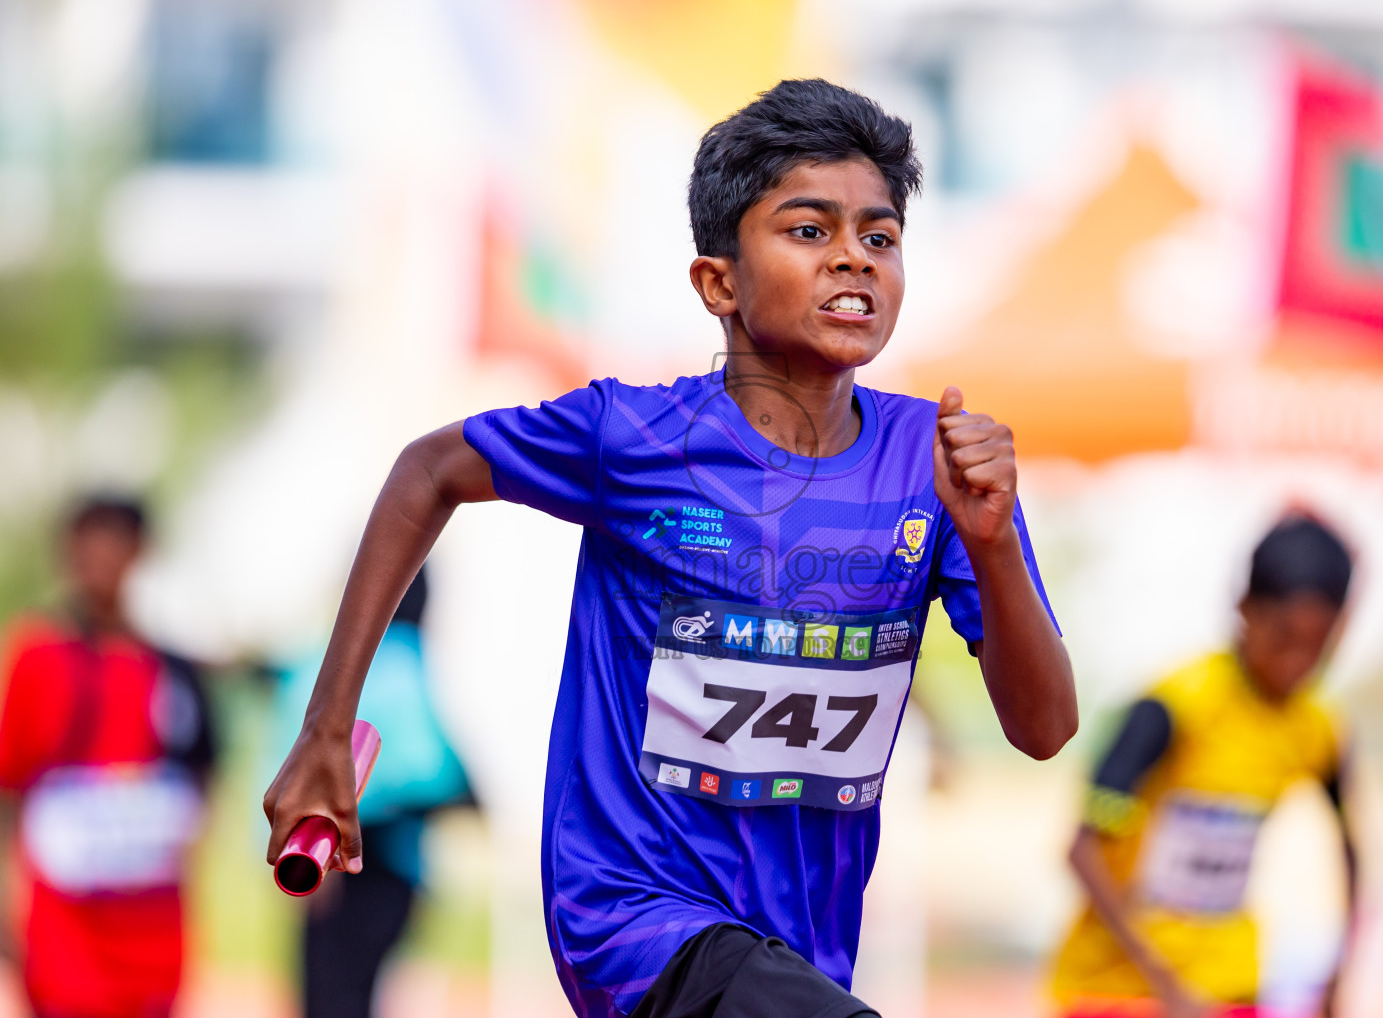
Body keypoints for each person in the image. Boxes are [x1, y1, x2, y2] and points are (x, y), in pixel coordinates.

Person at [263, 78, 1078, 1018]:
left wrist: (993, 547)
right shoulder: (634, 437)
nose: (853, 258)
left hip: (803, 953)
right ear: (718, 282)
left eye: (880, 236)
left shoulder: (937, 469)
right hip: (632, 921)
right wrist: (327, 727)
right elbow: (427, 470)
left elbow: (1045, 728)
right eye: (810, 231)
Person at [1051, 515, 1358, 1018]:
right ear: (1244, 610)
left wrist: (1338, 975)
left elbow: (1352, 849)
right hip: (1117, 992)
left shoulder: (1317, 727)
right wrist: (1167, 988)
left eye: (1317, 645)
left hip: (1229, 987)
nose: (1296, 663)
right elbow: (1083, 852)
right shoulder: (1173, 707)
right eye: (1284, 638)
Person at [0, 497, 216, 1018]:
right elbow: (8, 788)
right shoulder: (38, 656)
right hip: (63, 932)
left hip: (153, 930)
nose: (99, 558)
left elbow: (203, 780)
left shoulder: (175, 669)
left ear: (140, 553)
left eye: (114, 542)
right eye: (87, 543)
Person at [268, 566, 473, 1018]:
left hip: (316, 859)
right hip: (375, 861)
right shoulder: (403, 658)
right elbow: (434, 776)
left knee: (324, 997)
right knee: (347, 998)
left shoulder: (316, 665)